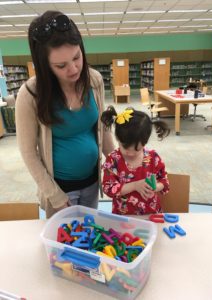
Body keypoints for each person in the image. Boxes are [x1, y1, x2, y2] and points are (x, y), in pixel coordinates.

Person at [15, 11, 114, 218]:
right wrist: (55, 195)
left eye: (77, 57)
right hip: (59, 189)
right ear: (44, 66)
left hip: (92, 182)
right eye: (61, 65)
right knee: (63, 242)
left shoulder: (94, 80)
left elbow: (102, 128)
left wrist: (118, 164)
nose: (74, 68)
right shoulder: (31, 95)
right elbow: (28, 152)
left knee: (89, 235)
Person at [101, 106, 170, 215]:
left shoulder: (153, 158)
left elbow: (164, 181)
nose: (130, 153)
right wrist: (135, 185)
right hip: (123, 217)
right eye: (125, 148)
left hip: (151, 215)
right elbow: (108, 188)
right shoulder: (113, 160)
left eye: (136, 150)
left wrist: (156, 187)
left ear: (145, 142)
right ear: (118, 139)